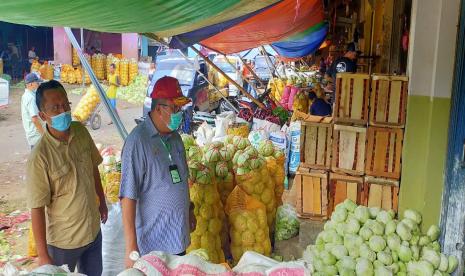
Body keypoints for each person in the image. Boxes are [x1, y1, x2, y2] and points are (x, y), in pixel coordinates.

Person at [26, 80, 107, 275]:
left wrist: (102, 201)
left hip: (93, 232)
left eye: (65, 104)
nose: (63, 110)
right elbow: (36, 207)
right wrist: (43, 255)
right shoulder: (40, 157)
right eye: (55, 107)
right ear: (43, 115)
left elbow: (94, 167)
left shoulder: (81, 131)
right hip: (64, 243)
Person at [120, 76, 195, 268]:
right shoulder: (138, 142)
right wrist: (131, 247)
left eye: (180, 109)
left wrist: (190, 210)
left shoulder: (176, 138)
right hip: (152, 245)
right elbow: (127, 196)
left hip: (177, 237)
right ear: (159, 108)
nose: (179, 113)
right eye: (175, 108)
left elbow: (182, 180)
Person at [21, 73, 44, 149]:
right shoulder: (30, 98)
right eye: (37, 83)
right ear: (30, 84)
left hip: (33, 133)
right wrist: (43, 134)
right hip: (36, 134)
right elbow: (34, 119)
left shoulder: (27, 95)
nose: (38, 84)